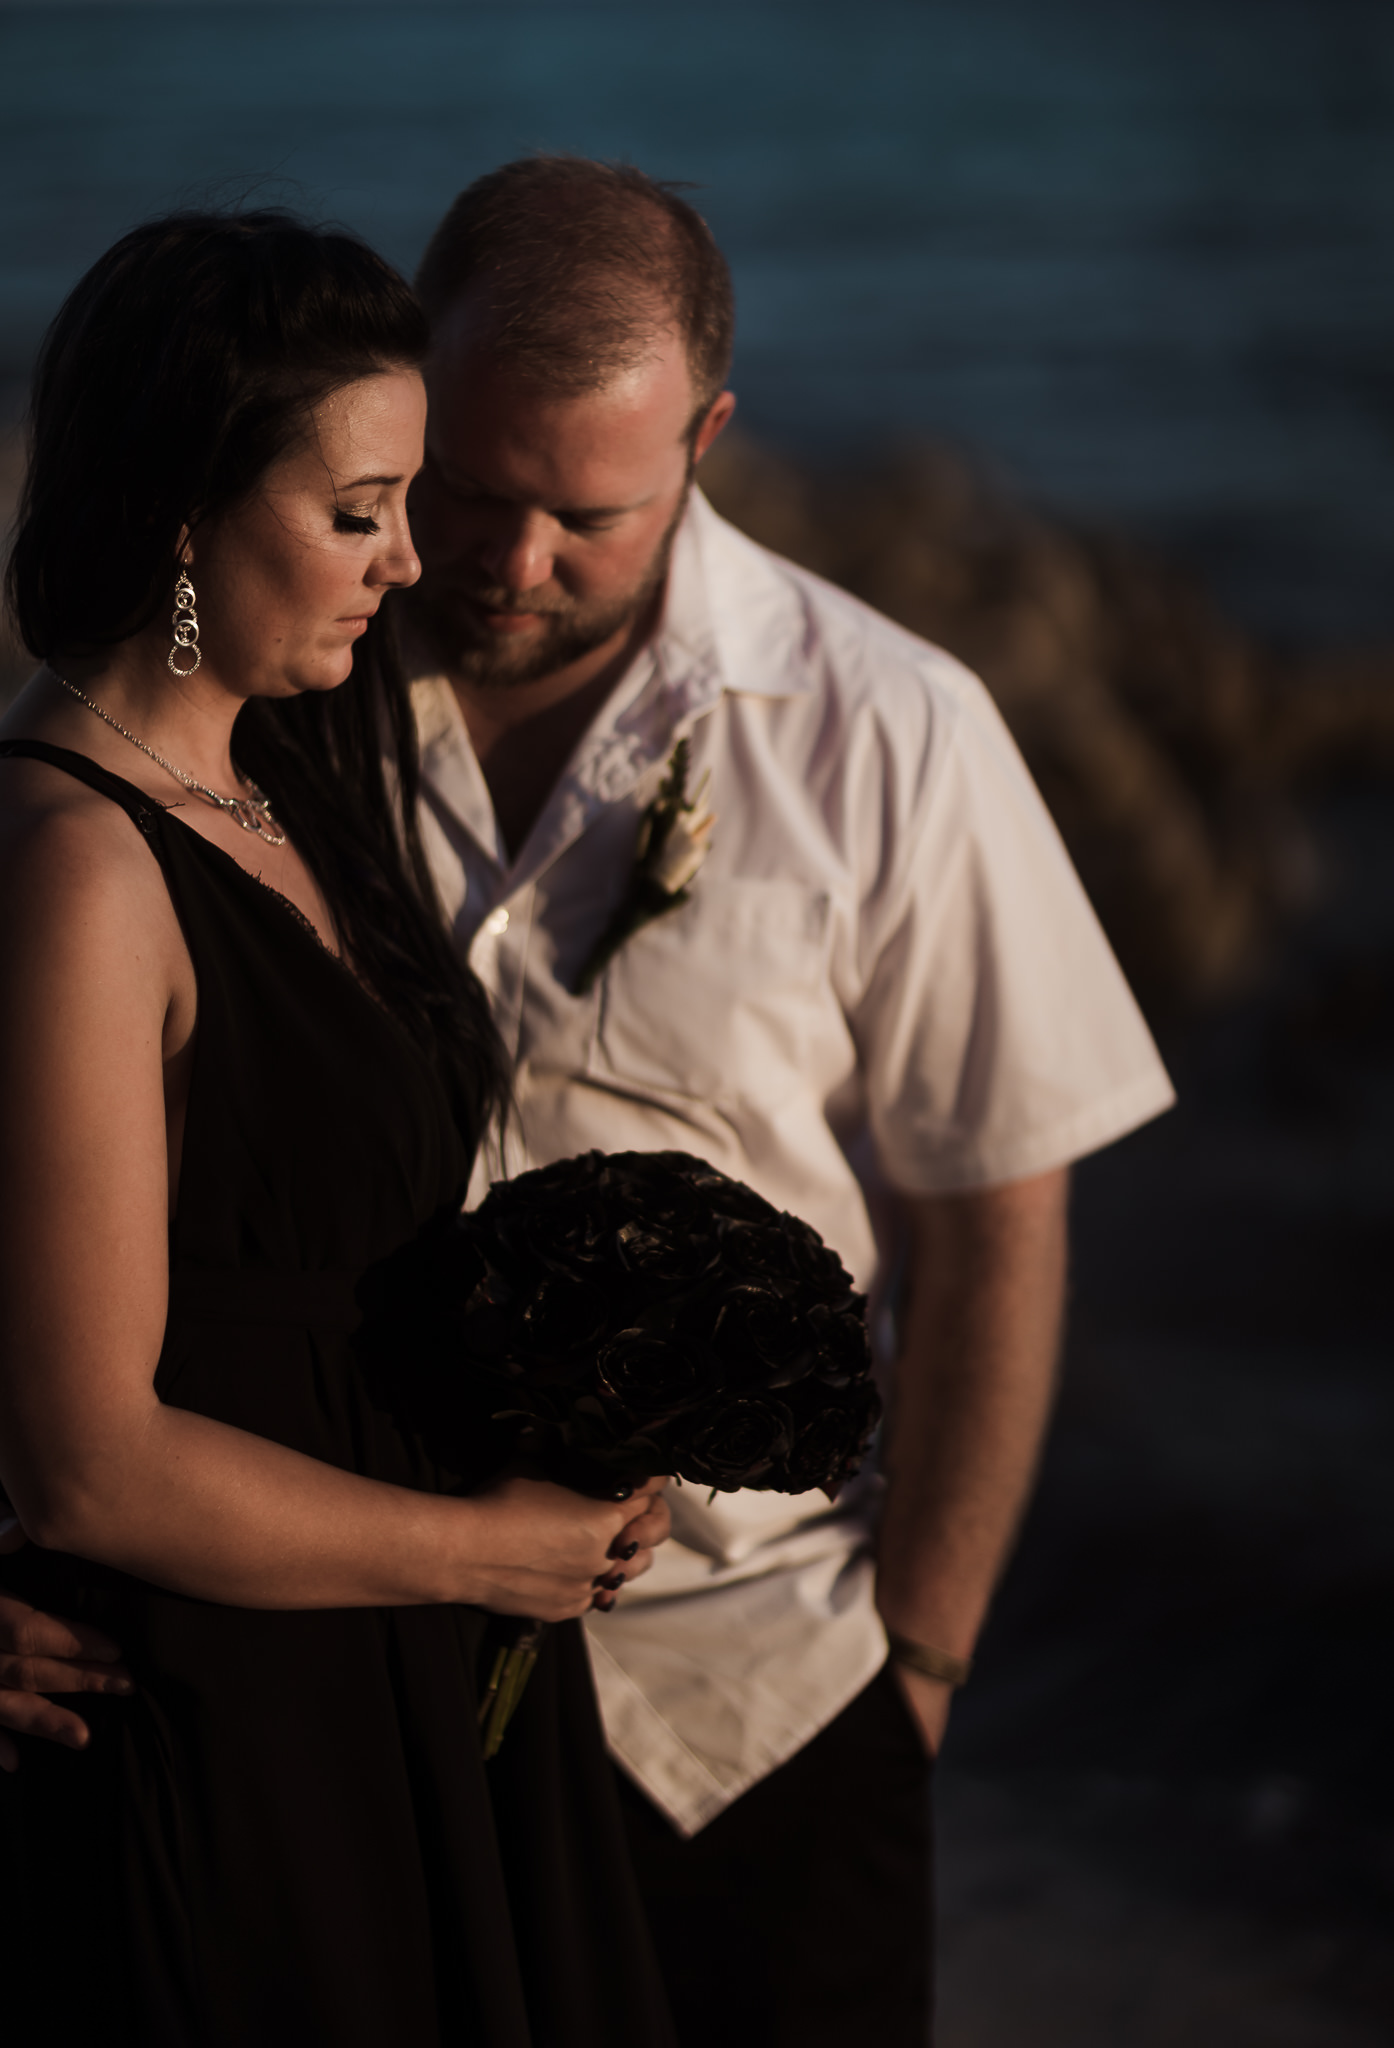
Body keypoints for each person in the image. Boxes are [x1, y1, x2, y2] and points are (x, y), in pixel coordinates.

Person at [4, 160, 1175, 2044]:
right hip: (343, 1670)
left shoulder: (888, 726)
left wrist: (919, 1670)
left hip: (751, 1706)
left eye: (591, 513)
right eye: (450, 491)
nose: (496, 561)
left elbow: (997, 1216)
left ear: (706, 438)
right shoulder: (281, 708)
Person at [0, 209, 673, 2047]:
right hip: (220, 1700)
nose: (409, 561)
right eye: (356, 510)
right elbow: (86, 1462)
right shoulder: (75, 865)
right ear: (182, 514)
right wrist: (485, 1553)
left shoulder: (281, 766)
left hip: (387, 1646)